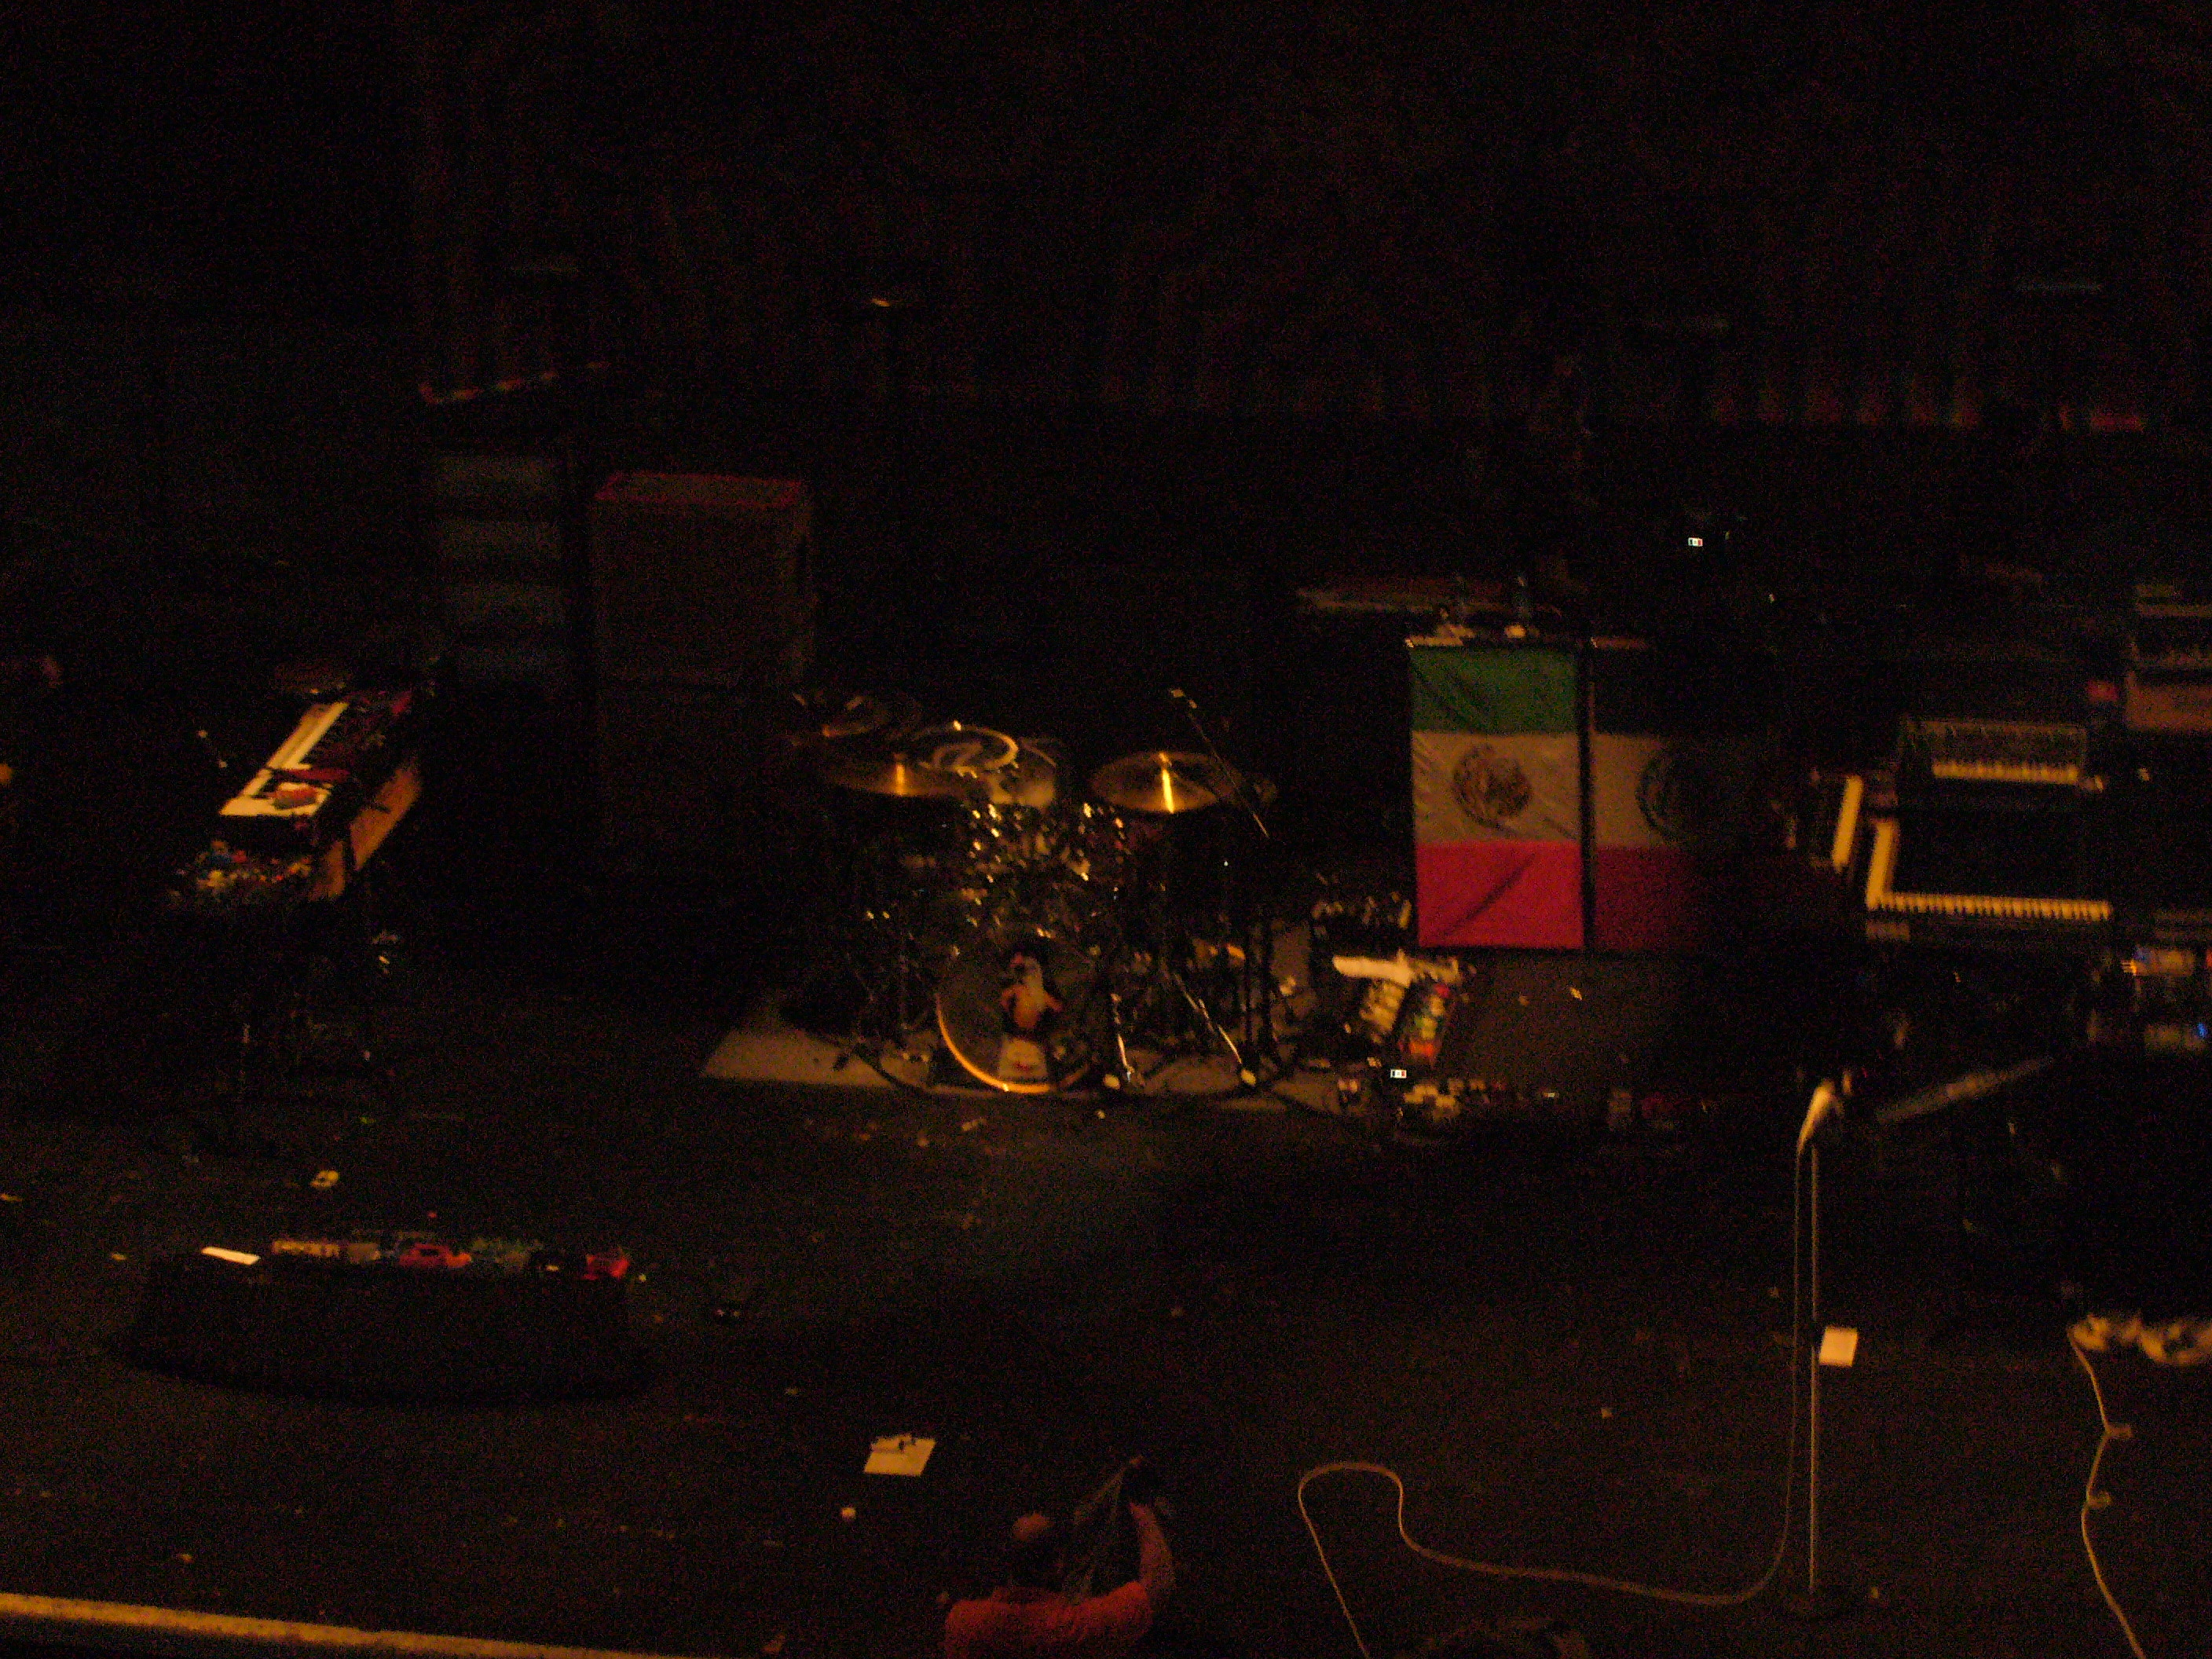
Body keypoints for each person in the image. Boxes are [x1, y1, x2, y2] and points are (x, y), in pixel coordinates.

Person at [943, 1492, 1175, 1659]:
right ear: (1058, 1564)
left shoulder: (962, 1622)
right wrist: (1141, 1508)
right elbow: (1158, 1584)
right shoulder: (1073, 1628)